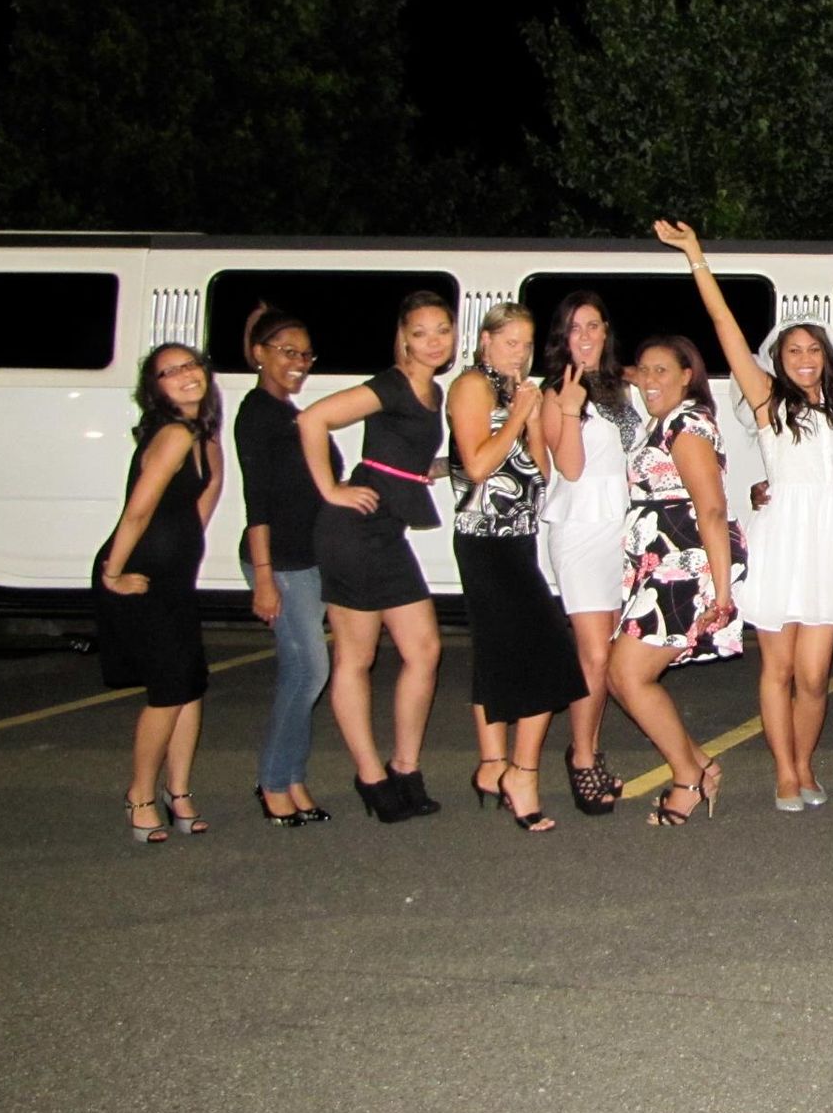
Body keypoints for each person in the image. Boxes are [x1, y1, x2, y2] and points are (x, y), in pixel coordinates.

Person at [658, 215, 833, 811]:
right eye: (793, 351)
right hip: (783, 540)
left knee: (815, 678)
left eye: (814, 349)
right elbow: (724, 325)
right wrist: (695, 255)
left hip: (832, 545)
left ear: (827, 356)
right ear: (777, 360)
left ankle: (805, 766)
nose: (805, 358)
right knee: (777, 671)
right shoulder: (766, 401)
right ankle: (784, 772)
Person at [299, 291, 454, 825]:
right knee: (356, 659)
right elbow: (313, 420)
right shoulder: (390, 383)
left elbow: (399, 455)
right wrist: (331, 489)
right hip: (353, 530)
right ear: (403, 337)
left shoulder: (431, 389)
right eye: (421, 332)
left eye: (442, 329)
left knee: (425, 650)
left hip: (387, 532)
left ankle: (405, 767)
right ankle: (370, 775)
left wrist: (430, 470)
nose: (433, 340)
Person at [449, 303, 585, 833]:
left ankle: (494, 767)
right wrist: (519, 414)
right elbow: (479, 465)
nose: (519, 353)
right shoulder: (471, 388)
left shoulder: (516, 392)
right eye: (509, 343)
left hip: (518, 538)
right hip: (484, 542)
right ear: (485, 342)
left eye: (526, 345)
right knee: (550, 652)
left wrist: (529, 419)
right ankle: (520, 774)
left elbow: (542, 471)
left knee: (506, 653)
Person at [610, 335, 748, 826]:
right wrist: (624, 369)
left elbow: (710, 508)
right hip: (661, 566)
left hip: (685, 569)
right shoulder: (667, 419)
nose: (649, 380)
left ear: (688, 374)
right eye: (643, 371)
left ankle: (688, 778)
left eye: (662, 371)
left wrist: (722, 594)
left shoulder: (687, 424)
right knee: (620, 676)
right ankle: (702, 765)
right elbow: (636, 373)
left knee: (630, 675)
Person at [99, 344, 225, 844]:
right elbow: (137, 511)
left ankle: (179, 792)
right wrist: (113, 572)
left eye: (190, 366)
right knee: (169, 692)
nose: (185, 376)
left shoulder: (199, 433)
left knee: (189, 686)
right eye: (169, 373)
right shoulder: (173, 434)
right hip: (142, 575)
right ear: (156, 389)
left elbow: (199, 502)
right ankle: (139, 795)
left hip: (173, 577)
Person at [539, 290, 641, 815]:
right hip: (580, 528)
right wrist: (571, 413)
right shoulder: (557, 391)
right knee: (595, 654)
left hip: (622, 528)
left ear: (605, 331)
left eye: (593, 326)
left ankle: (589, 747)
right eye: (574, 327)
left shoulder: (622, 387)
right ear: (563, 336)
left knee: (606, 653)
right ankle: (581, 758)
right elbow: (571, 469)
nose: (584, 336)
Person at [236, 306, 335, 827]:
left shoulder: (291, 414)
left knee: (304, 673)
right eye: (287, 351)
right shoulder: (257, 414)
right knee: (309, 670)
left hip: (307, 559)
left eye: (305, 354)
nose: (299, 362)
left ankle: (292, 777)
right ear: (258, 355)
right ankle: (274, 781)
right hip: (282, 562)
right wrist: (264, 577)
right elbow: (258, 501)